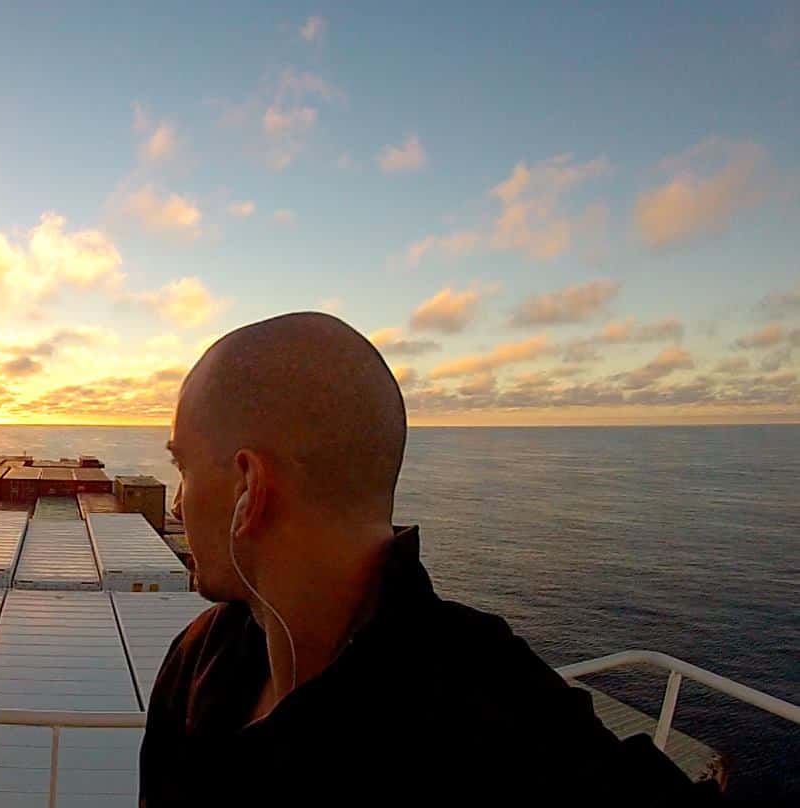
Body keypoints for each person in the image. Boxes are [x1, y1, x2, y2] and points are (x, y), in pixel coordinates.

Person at [140, 312, 719, 805]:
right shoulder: (198, 656)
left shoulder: (501, 724)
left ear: (250, 488)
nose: (182, 499)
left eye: (183, 466)